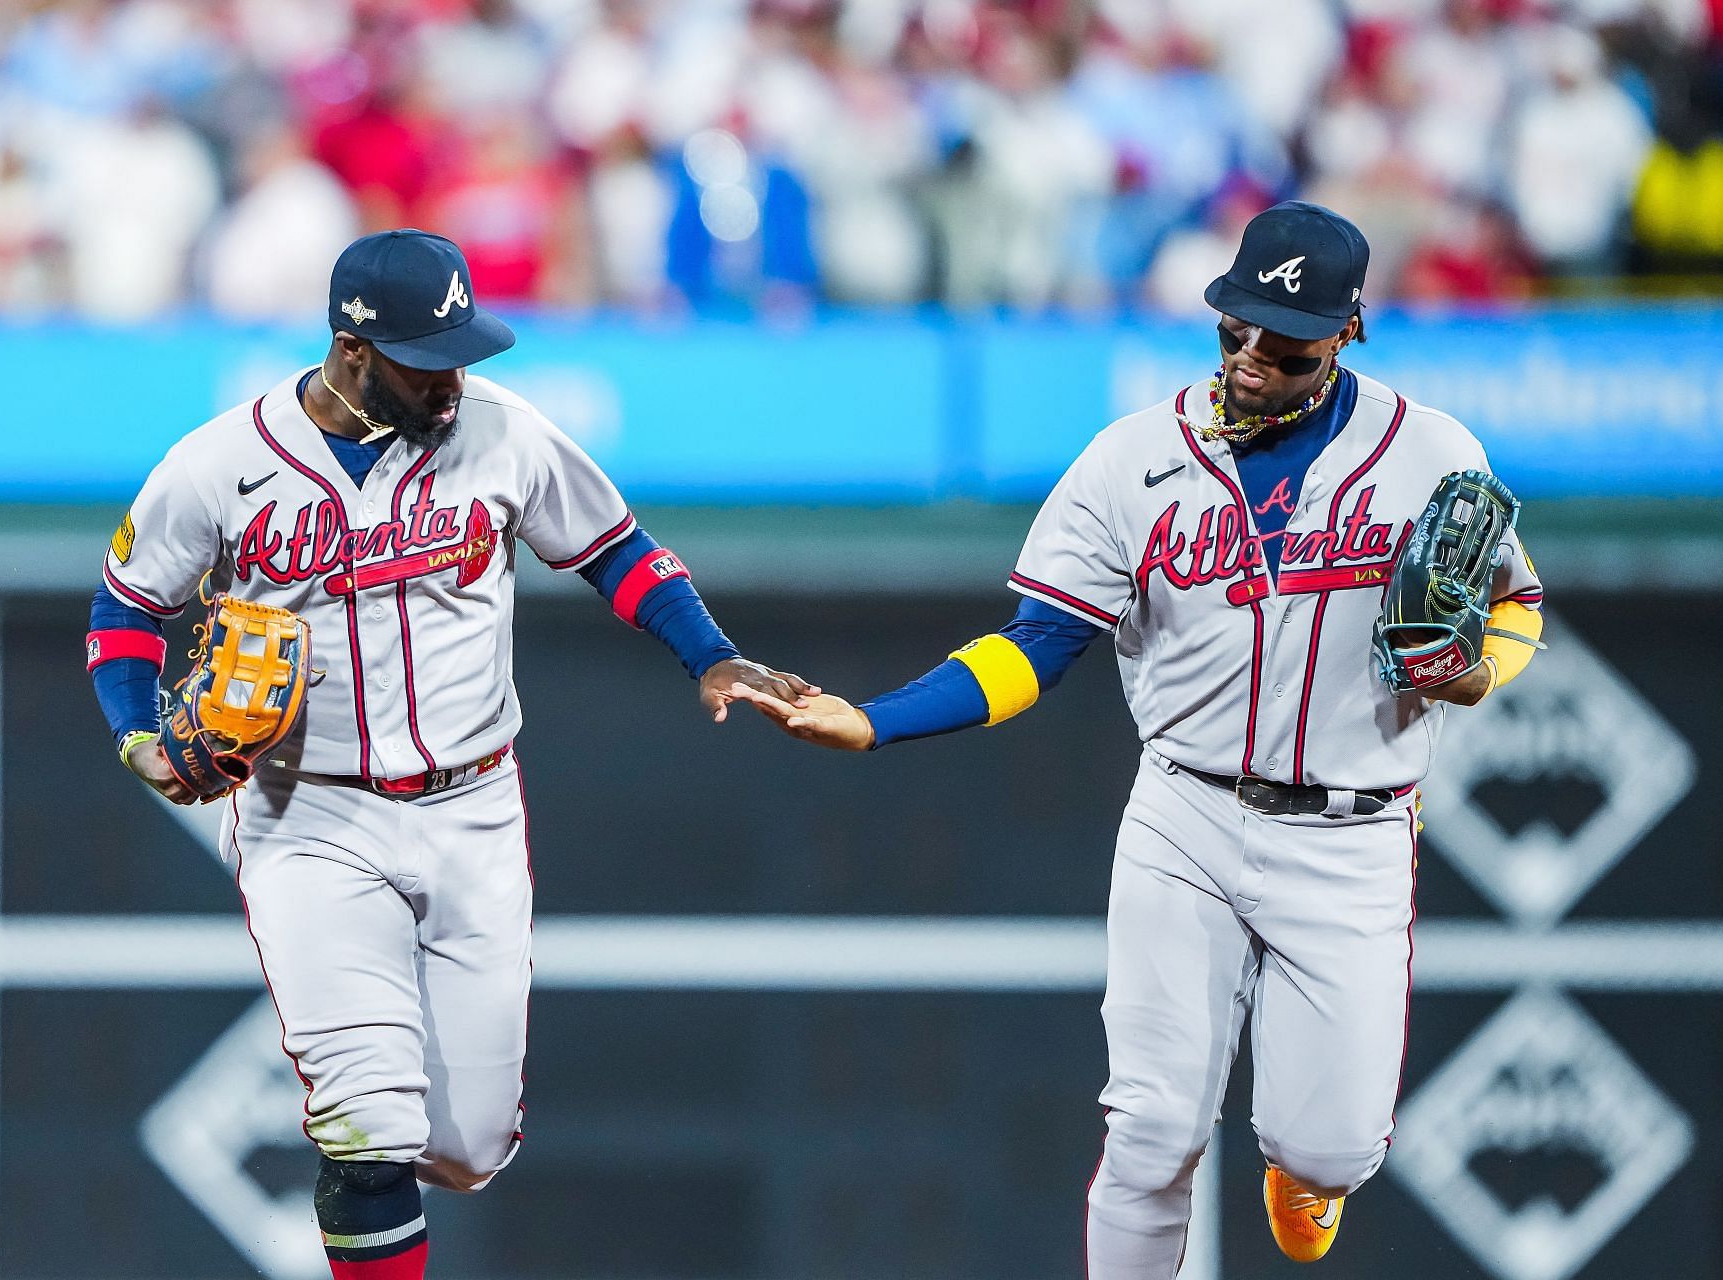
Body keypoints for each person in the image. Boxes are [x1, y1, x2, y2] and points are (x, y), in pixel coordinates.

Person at [731, 202, 1545, 1275]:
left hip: (1354, 825)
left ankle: (1309, 1166)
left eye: (1283, 338)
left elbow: (1515, 601)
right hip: (1188, 811)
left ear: (1347, 331)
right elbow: (1038, 643)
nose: (1252, 355)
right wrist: (879, 719)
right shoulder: (1131, 461)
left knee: (1331, 1143)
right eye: (1235, 327)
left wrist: (1482, 668)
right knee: (1153, 1128)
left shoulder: (1431, 451)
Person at [85, 229, 814, 1280]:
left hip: (475, 804)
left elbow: (616, 548)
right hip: (310, 815)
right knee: (368, 1120)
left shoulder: (504, 434)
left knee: (469, 1144)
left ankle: (381, 1175)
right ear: (350, 351)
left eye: (463, 353)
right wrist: (142, 738)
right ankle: (364, 1161)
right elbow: (124, 615)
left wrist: (711, 653)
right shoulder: (217, 465)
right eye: (428, 360)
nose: (455, 379)